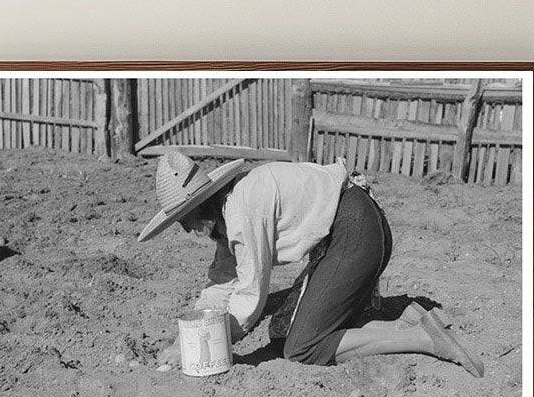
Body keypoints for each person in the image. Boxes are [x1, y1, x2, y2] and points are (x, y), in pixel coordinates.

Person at [138, 150, 482, 375]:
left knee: (302, 346)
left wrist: (210, 341)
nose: (188, 229)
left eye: (186, 219)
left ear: (202, 205)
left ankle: (423, 338)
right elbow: (222, 282)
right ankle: (404, 310)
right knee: (282, 329)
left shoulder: (241, 211)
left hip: (355, 236)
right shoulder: (230, 208)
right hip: (358, 231)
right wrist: (183, 340)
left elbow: (249, 294)